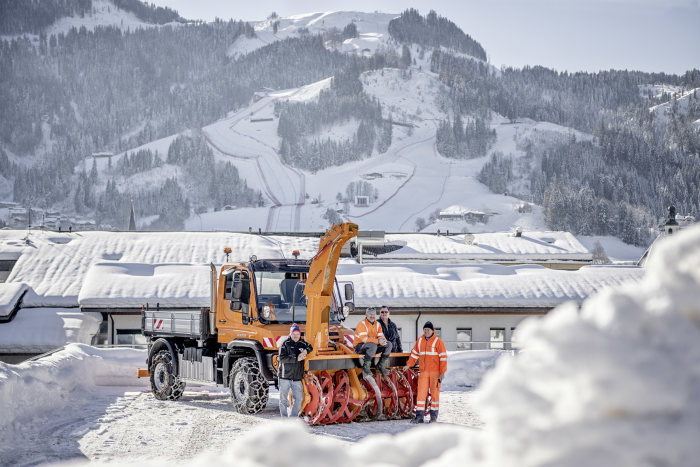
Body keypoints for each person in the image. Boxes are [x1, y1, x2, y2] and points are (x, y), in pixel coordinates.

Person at [404, 321, 447, 423]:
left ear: (433, 331)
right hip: (423, 372)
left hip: (435, 373)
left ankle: (433, 417)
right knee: (421, 395)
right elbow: (414, 355)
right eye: (425, 330)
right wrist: (408, 365)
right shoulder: (420, 341)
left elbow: (443, 358)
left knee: (434, 394)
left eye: (428, 330)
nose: (426, 331)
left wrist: (442, 372)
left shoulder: (438, 342)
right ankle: (419, 417)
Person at [278, 323, 313, 417]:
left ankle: (292, 419)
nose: (296, 335)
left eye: (298, 334)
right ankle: (284, 420)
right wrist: (296, 359)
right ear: (290, 334)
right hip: (285, 377)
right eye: (294, 334)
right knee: (283, 400)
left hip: (297, 378)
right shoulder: (285, 344)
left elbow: (310, 347)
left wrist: (306, 351)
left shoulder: (303, 344)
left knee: (299, 399)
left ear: (300, 334)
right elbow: (281, 358)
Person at [354, 307, 392, 377]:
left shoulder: (377, 324)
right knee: (373, 345)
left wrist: (383, 341)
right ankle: (366, 366)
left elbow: (381, 336)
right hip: (360, 346)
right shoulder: (361, 324)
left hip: (372, 346)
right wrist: (378, 341)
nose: (372, 316)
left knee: (389, 344)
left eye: (373, 314)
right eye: (370, 314)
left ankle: (380, 366)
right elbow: (364, 339)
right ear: (366, 315)